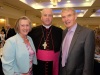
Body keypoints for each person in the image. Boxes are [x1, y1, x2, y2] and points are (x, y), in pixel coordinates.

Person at [59, 7, 95, 75]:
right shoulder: (64, 32)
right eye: (63, 17)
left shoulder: (87, 33)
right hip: (62, 71)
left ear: (75, 16)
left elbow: (88, 61)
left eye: (69, 15)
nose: (66, 19)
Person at [29, 8, 62, 75]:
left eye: (50, 15)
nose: (47, 17)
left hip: (54, 65)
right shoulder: (33, 31)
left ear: (52, 17)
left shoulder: (59, 31)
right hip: (38, 64)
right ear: (41, 17)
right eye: (45, 15)